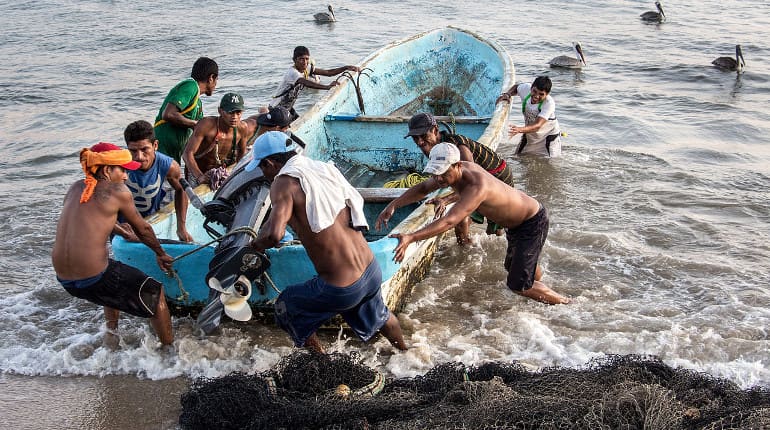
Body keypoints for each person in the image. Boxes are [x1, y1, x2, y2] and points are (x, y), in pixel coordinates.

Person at [247, 131, 407, 353]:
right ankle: (406, 355)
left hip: (343, 287)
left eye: (262, 167)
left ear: (270, 163)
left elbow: (274, 235)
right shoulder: (320, 168)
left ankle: (321, 366)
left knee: (287, 306)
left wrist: (254, 246)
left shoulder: (282, 183)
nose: (263, 173)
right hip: (371, 271)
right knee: (382, 316)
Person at [375, 143, 570, 305]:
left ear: (457, 165)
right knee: (514, 267)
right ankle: (538, 285)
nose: (438, 179)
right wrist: (394, 204)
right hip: (517, 224)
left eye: (442, 174)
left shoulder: (477, 186)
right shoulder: (450, 174)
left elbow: (450, 220)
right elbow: (424, 188)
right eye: (435, 173)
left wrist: (411, 237)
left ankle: (565, 303)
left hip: (531, 221)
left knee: (518, 285)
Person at [51, 143, 176, 347]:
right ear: (107, 170)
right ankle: (169, 352)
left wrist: (117, 229)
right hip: (93, 276)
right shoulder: (117, 190)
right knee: (154, 291)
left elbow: (85, 220)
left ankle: (111, 336)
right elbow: (144, 229)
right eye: (123, 169)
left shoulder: (75, 187)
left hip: (65, 279)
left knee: (113, 276)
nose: (126, 176)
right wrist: (160, 254)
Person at [404, 112, 516, 243]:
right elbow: (426, 186)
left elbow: (472, 185)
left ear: (435, 130)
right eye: (415, 139)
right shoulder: (436, 149)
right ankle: (466, 252)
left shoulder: (459, 149)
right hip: (480, 182)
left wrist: (445, 200)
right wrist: (393, 206)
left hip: (499, 177)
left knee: (494, 227)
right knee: (461, 223)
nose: (420, 142)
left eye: (423, 136)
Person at [120, 120, 193, 243]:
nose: (139, 157)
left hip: (150, 218)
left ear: (155, 145)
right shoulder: (119, 166)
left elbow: (181, 190)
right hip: (124, 223)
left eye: (145, 149)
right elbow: (104, 200)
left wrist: (181, 227)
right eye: (133, 151)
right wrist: (117, 226)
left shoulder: (168, 166)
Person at [154, 56, 219, 163]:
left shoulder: (198, 103)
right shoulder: (190, 86)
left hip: (173, 154)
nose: (216, 84)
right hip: (161, 150)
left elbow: (200, 130)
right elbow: (168, 114)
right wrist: (194, 124)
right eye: (217, 79)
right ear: (211, 78)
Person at [271, 46, 359, 120]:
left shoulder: (307, 68)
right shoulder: (293, 73)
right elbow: (306, 83)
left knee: (297, 123)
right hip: (277, 108)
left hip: (287, 108)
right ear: (294, 60)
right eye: (301, 59)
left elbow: (328, 73)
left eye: (306, 59)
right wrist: (327, 87)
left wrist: (346, 67)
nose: (304, 62)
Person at [182, 92, 249, 190]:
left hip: (219, 173)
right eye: (230, 112)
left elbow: (242, 154)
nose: (234, 117)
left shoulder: (242, 128)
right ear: (220, 111)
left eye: (238, 113)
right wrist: (200, 177)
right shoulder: (206, 125)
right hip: (196, 172)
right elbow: (187, 154)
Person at [497, 76, 562, 157]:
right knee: (518, 156)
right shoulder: (526, 88)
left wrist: (519, 129)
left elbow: (537, 125)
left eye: (541, 94)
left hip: (548, 136)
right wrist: (507, 94)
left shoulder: (549, 103)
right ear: (531, 88)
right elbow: (516, 87)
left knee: (550, 163)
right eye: (534, 91)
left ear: (547, 94)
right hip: (530, 133)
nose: (536, 96)